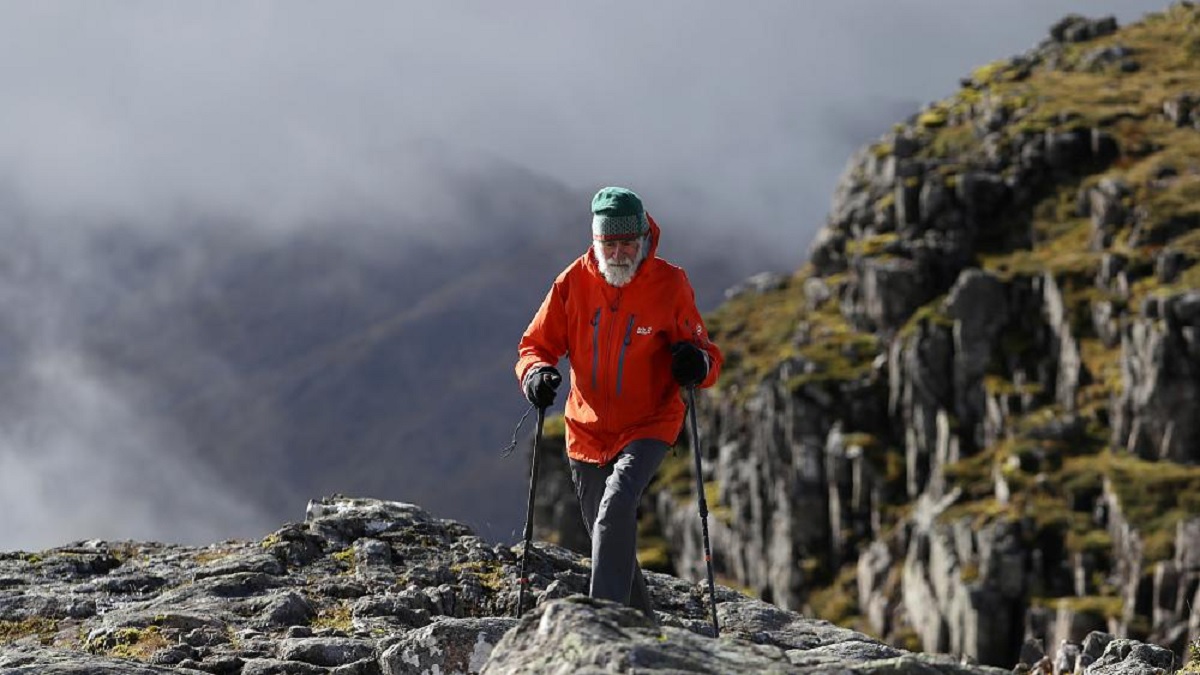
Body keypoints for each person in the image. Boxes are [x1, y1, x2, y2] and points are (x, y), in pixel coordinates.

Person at [515, 186, 723, 618]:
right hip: (585, 431)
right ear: (596, 240)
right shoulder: (572, 282)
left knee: (614, 511)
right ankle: (647, 638)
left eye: (628, 242)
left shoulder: (670, 284)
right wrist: (535, 375)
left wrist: (695, 363)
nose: (620, 252)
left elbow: (708, 357)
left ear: (644, 238)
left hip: (650, 424)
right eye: (609, 243)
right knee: (612, 544)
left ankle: (602, 626)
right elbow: (535, 346)